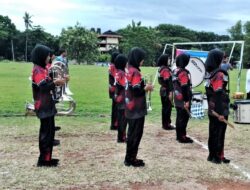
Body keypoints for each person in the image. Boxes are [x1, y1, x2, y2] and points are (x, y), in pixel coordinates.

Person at [31, 44, 65, 167]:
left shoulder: (42, 68)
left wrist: (57, 80)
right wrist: (56, 82)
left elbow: (48, 82)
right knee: (45, 133)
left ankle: (47, 158)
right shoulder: (37, 70)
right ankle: (43, 160)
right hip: (43, 106)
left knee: (50, 132)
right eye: (47, 56)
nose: (49, 58)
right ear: (40, 56)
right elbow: (44, 86)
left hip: (48, 104)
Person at [124, 47, 153, 167]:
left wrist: (143, 85)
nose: (142, 61)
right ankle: (132, 159)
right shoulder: (135, 71)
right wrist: (146, 88)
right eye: (141, 59)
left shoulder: (128, 69)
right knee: (136, 134)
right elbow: (136, 91)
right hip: (136, 109)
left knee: (131, 133)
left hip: (129, 107)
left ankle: (129, 158)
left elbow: (133, 86)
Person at [205, 48, 230, 164]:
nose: (223, 59)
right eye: (222, 57)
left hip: (211, 107)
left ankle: (212, 155)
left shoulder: (210, 73)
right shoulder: (219, 74)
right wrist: (220, 113)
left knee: (213, 131)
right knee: (219, 133)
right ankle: (217, 156)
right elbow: (218, 93)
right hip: (219, 108)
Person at [173, 53, 193, 143]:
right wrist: (186, 100)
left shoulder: (175, 70)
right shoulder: (183, 72)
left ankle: (179, 136)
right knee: (183, 118)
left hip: (177, 97)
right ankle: (182, 137)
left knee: (179, 117)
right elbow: (184, 87)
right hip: (183, 98)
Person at [157, 54, 175, 130]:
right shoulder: (165, 70)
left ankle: (165, 124)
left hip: (163, 90)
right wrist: (170, 93)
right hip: (166, 91)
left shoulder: (161, 68)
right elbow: (168, 82)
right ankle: (166, 125)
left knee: (165, 108)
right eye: (168, 59)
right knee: (167, 108)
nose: (169, 60)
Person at [114, 54, 128, 143]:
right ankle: (122, 137)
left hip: (119, 97)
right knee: (123, 119)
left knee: (121, 118)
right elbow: (125, 85)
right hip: (123, 98)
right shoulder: (122, 73)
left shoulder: (118, 72)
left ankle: (121, 136)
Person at [108, 52, 119, 130]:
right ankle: (114, 125)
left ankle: (115, 124)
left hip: (113, 88)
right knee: (116, 108)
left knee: (116, 107)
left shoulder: (112, 66)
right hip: (115, 89)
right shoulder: (113, 66)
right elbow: (117, 76)